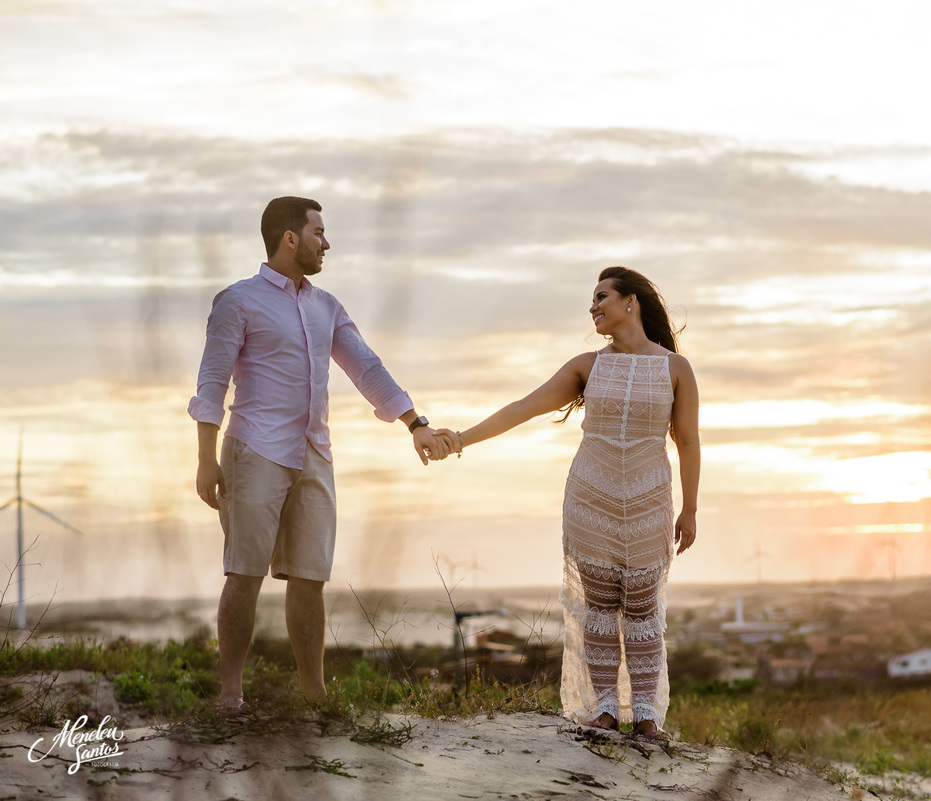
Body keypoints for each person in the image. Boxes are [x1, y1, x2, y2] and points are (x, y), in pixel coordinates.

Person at [189, 196, 450, 710]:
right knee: (244, 572)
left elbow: (366, 368)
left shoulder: (327, 305)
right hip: (254, 448)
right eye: (319, 233)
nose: (326, 243)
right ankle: (230, 696)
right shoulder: (238, 300)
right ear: (291, 238)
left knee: (310, 578)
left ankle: (315, 699)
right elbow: (212, 382)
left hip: (314, 453)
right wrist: (205, 458)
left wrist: (415, 424)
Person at [433, 266, 700, 739]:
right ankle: (601, 709)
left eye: (602, 297)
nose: (593, 307)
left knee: (642, 606)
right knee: (599, 607)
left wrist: (691, 509)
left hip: (649, 499)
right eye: (591, 301)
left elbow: (689, 443)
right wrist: (460, 440)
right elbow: (523, 407)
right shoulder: (587, 365)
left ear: (631, 302)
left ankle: (645, 716)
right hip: (590, 497)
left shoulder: (675, 369)